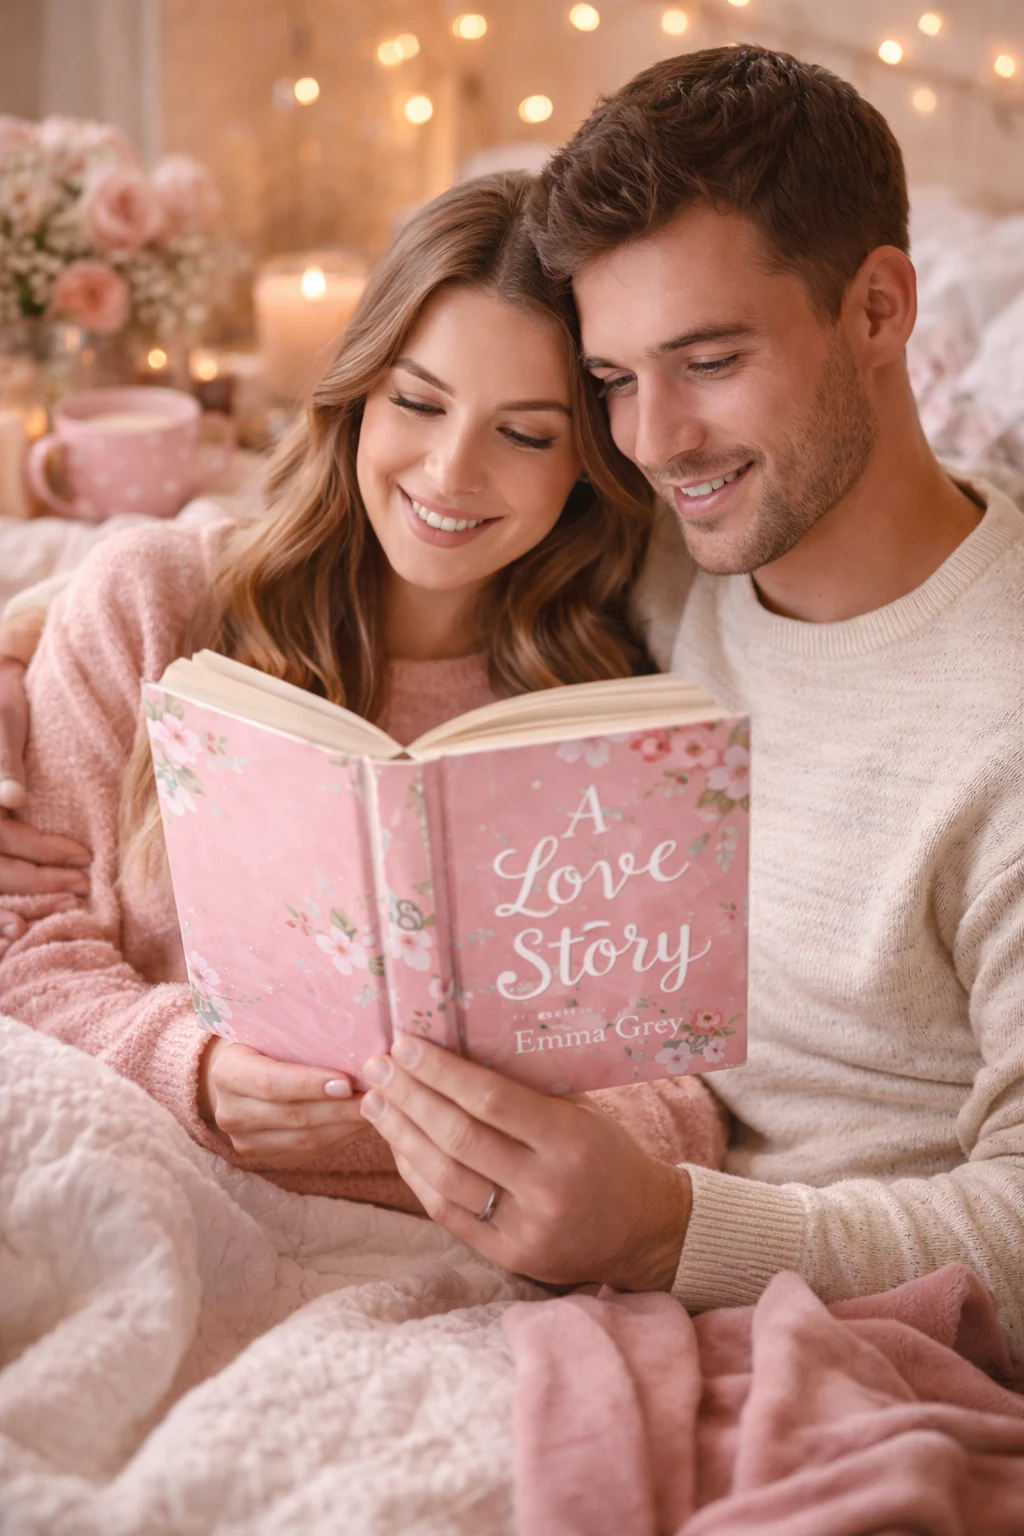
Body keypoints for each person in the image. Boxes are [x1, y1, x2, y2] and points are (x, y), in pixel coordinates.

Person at [295, 45, 1023, 1354]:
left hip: (823, 1316)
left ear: (878, 308)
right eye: (616, 381)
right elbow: (387, 520)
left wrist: (667, 1234)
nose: (652, 441)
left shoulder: (1000, 726)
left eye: (709, 360)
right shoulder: (666, 541)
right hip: (573, 1210)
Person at [1, 173, 732, 1207]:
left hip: (472, 1238)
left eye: (524, 433)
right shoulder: (152, 601)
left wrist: (516, 1151)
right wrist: (192, 1069)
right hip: (161, 1171)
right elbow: (24, 948)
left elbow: (681, 1086)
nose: (447, 472)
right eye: (418, 403)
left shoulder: (612, 697)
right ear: (356, 393)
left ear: (585, 463)